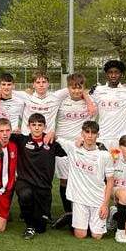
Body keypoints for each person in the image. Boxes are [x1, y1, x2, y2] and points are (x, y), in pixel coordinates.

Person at [51, 74, 98, 229]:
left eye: (80, 87)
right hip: (63, 144)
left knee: (81, 178)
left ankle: (82, 211)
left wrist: (87, 98)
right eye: (73, 87)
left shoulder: (91, 102)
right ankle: (68, 212)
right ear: (68, 88)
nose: (77, 91)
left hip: (81, 146)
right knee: (64, 179)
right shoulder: (60, 100)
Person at [10, 113, 67, 240]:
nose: (36, 128)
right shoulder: (22, 140)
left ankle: (39, 216)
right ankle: (29, 225)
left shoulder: (52, 143)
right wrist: (13, 132)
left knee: (41, 228)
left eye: (40, 125)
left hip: (43, 187)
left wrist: (55, 136)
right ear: (28, 126)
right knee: (25, 194)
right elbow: (1, 135)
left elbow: (68, 152)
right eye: (33, 125)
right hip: (25, 182)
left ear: (44, 127)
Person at [60, 121, 115, 240]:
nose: (90, 136)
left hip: (97, 199)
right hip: (79, 199)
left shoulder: (105, 155)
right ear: (82, 134)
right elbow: (54, 137)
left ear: (98, 135)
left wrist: (105, 204)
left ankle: (109, 214)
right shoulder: (73, 148)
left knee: (97, 236)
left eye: (93, 133)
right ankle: (74, 218)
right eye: (87, 132)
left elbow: (110, 181)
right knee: (81, 235)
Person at [90, 60, 126, 149]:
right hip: (103, 138)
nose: (113, 75)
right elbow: (85, 101)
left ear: (122, 74)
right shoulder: (98, 90)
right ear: (106, 74)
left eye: (116, 72)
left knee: (121, 163)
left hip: (123, 139)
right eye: (110, 72)